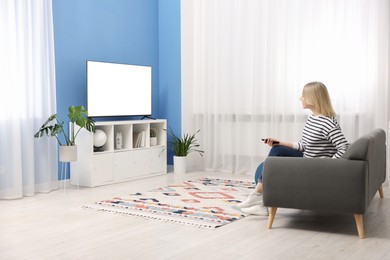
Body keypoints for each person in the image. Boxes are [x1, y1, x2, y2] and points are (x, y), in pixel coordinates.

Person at [238, 81, 349, 216]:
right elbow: (304, 145)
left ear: (313, 97)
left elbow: (344, 147)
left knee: (271, 166)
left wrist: (328, 164)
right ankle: (260, 201)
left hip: (314, 166)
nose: (300, 98)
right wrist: (280, 142)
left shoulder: (328, 123)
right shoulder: (312, 118)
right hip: (306, 159)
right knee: (276, 151)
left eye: (303, 95)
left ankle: (258, 198)